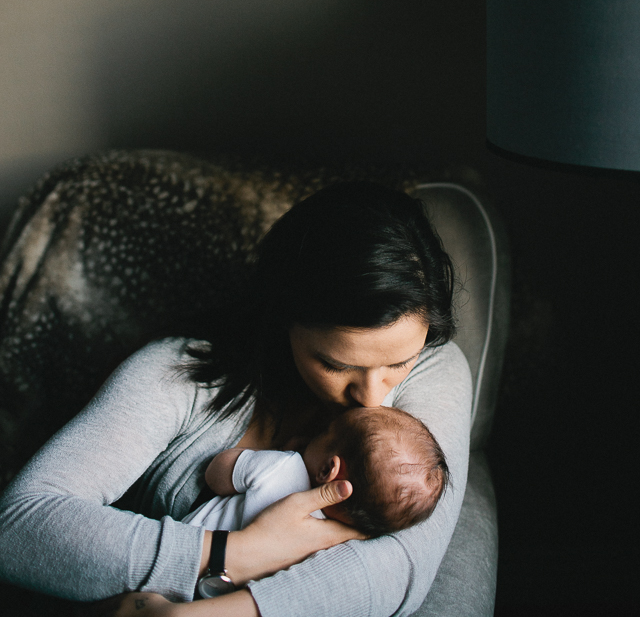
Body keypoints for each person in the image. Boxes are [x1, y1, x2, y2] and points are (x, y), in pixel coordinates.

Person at [0, 180, 472, 617]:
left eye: (397, 363)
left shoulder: (437, 367)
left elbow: (398, 566)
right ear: (281, 318)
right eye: (336, 365)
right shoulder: (176, 374)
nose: (372, 396)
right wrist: (239, 551)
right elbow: (19, 529)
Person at [184, 406, 449, 538]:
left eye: (325, 433)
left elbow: (215, 474)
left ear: (327, 470)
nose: (316, 433)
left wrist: (278, 455)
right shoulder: (326, 540)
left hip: (189, 546)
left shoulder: (283, 468)